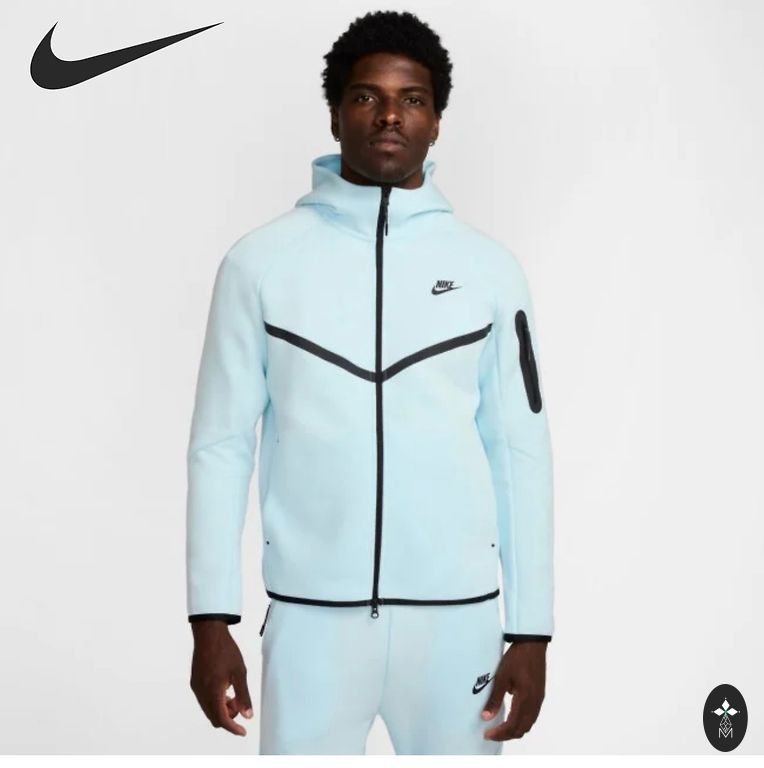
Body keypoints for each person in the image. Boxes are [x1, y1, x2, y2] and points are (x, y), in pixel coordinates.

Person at [186, 9, 554, 755]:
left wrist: (531, 628)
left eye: (412, 99)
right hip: (311, 621)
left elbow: (519, 451)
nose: (390, 115)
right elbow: (220, 446)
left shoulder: (490, 271)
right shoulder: (258, 265)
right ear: (335, 114)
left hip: (458, 624)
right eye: (366, 96)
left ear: (436, 121)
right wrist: (210, 619)